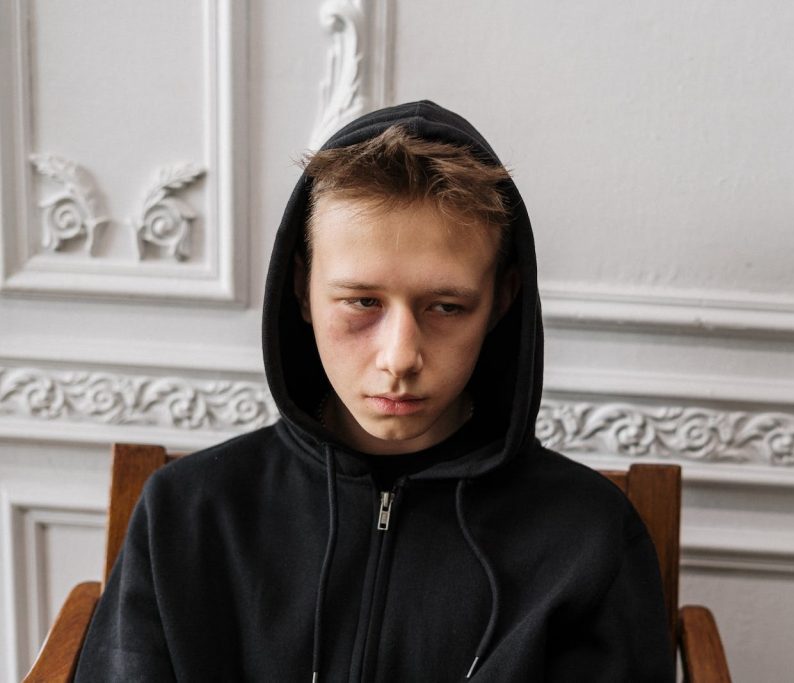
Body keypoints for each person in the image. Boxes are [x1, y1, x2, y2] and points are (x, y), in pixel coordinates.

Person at [75, 101, 675, 682]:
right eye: (362, 302)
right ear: (302, 289)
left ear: (502, 301)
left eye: (446, 306)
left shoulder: (588, 539)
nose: (400, 358)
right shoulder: (187, 514)